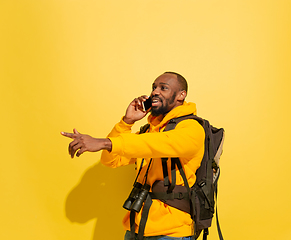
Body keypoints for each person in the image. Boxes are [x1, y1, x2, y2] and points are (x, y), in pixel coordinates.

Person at [61, 72, 205, 240]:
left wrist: (105, 142)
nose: (155, 92)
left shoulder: (192, 129)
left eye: (163, 88)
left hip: (171, 233)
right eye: (154, 87)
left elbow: (157, 144)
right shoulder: (149, 132)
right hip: (136, 228)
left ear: (181, 95)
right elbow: (111, 160)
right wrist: (127, 122)